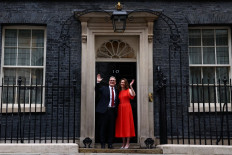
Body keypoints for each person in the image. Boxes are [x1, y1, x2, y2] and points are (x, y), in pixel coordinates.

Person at [95, 74, 119, 149]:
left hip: (112, 111)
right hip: (104, 111)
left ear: (115, 82)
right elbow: (97, 89)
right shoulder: (104, 88)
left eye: (113, 81)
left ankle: (110, 144)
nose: (112, 81)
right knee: (103, 127)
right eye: (111, 80)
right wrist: (98, 82)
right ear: (109, 82)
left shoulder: (117, 90)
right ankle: (102, 143)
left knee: (111, 128)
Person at [115, 78, 136, 149]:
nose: (122, 83)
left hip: (127, 108)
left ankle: (128, 143)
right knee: (122, 126)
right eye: (121, 82)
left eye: (123, 82)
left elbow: (133, 95)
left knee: (127, 125)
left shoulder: (128, 90)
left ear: (126, 83)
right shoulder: (119, 91)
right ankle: (123, 143)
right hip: (121, 109)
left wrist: (131, 86)